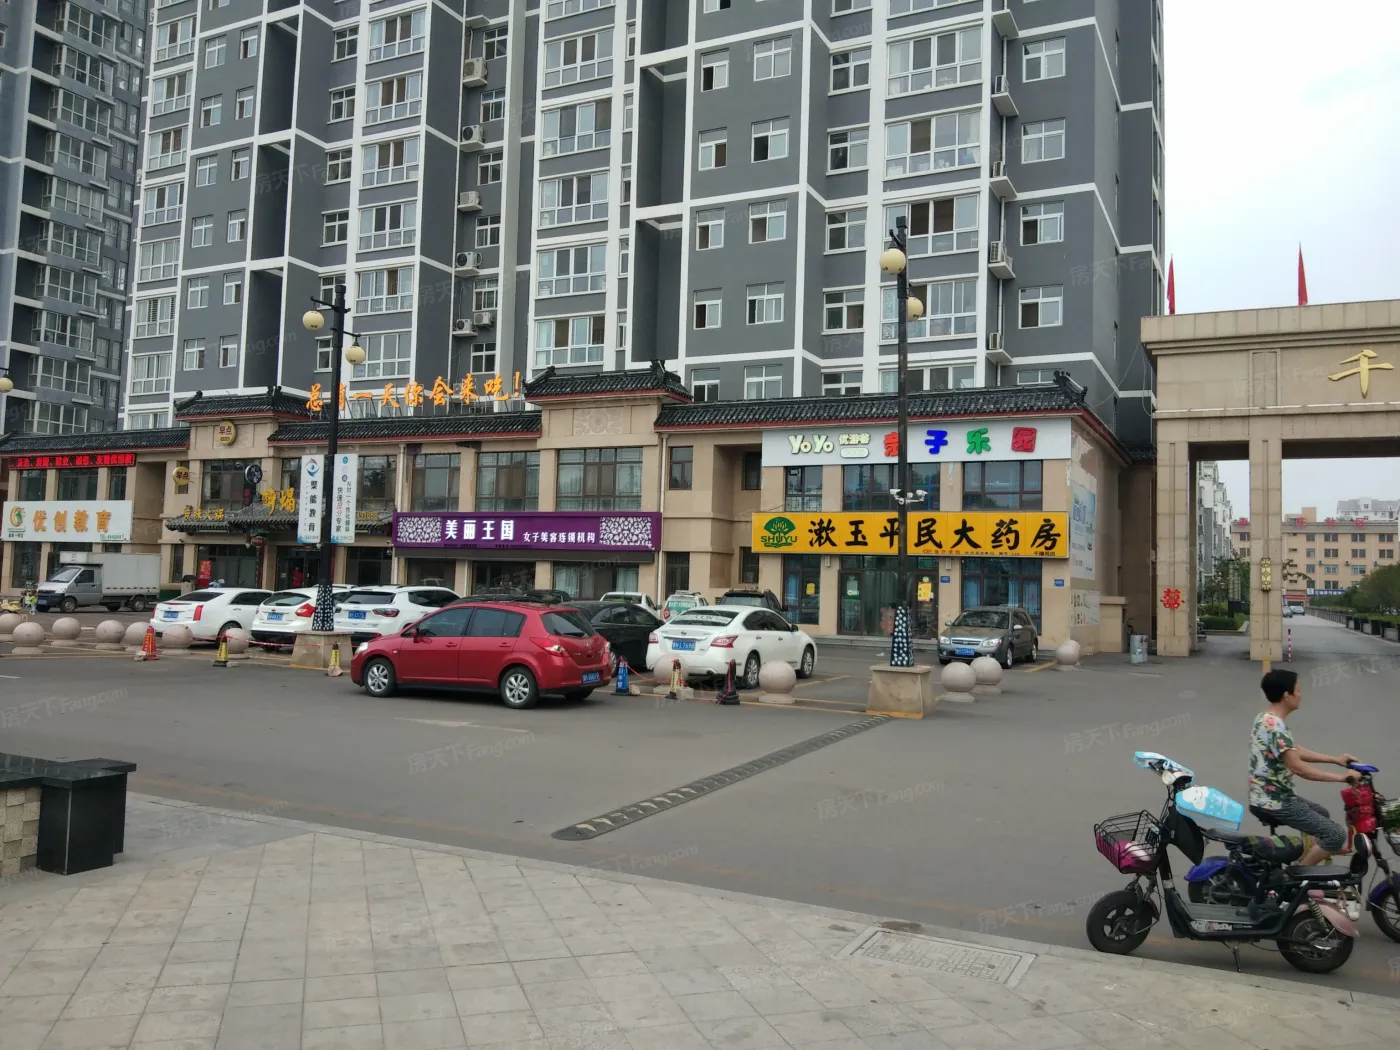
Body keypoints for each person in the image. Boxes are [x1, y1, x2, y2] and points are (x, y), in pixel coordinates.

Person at [1249, 668, 1360, 867]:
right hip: (1275, 801)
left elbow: (1294, 750)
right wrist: (1343, 778)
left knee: (1322, 813)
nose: (1300, 695)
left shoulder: (1265, 718)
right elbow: (1298, 767)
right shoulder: (1275, 726)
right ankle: (1298, 877)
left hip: (1267, 795)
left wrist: (1336, 760)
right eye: (1298, 691)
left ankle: (1308, 861)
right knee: (1335, 835)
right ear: (1287, 695)